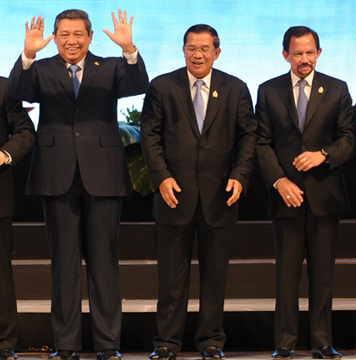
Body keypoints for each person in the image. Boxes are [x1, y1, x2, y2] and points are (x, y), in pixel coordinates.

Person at [7, 9, 149, 360]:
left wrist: (129, 49)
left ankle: (107, 345)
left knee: (104, 263)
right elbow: (16, 91)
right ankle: (66, 345)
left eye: (78, 34)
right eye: (64, 34)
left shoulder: (112, 67)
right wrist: (28, 55)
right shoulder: (41, 68)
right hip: (57, 175)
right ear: (54, 37)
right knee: (64, 265)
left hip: (102, 174)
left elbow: (138, 84)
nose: (71, 40)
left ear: (90, 37)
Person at [140, 24, 256, 360]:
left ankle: (210, 342)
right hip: (173, 195)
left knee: (215, 278)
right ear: (183, 50)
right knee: (171, 278)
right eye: (191, 47)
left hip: (220, 196)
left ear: (217, 52)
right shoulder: (163, 86)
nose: (198, 54)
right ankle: (166, 342)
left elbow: (248, 137)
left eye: (205, 48)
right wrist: (160, 177)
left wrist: (240, 175)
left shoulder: (235, 88)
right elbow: (150, 136)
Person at [255, 26, 356, 360]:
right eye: (297, 53)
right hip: (286, 196)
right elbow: (262, 143)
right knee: (286, 277)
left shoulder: (338, 89)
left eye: (310, 52)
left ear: (319, 52)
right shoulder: (268, 91)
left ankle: (322, 342)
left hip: (324, 196)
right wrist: (280, 182)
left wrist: (322, 155)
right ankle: (284, 344)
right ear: (285, 54)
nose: (304, 59)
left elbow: (348, 139)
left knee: (323, 276)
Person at [0, 77, 36, 360]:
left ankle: (4, 344)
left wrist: (4, 154)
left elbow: (25, 130)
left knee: (0, 274)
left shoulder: (4, 88)